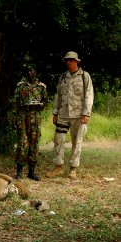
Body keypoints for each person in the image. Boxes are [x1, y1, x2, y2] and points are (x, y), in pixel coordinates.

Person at [46, 51, 94, 179]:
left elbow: (89, 95)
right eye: (67, 60)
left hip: (79, 115)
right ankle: (58, 167)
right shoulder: (62, 77)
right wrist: (55, 112)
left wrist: (86, 113)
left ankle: (73, 169)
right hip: (63, 114)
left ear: (77, 61)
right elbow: (58, 96)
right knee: (59, 139)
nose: (68, 62)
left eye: (71, 60)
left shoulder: (85, 76)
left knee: (77, 141)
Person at [10, 64, 49, 181]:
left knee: (34, 144)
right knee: (22, 144)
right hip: (23, 116)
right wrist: (14, 118)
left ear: (36, 72)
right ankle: (19, 171)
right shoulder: (21, 86)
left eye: (32, 71)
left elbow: (45, 100)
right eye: (28, 71)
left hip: (36, 117)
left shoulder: (41, 87)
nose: (30, 73)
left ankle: (31, 172)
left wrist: (40, 106)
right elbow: (15, 103)